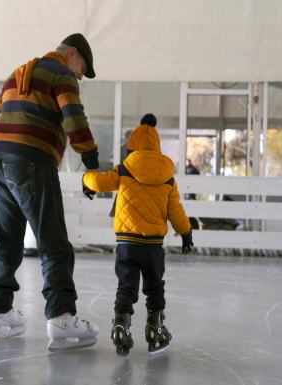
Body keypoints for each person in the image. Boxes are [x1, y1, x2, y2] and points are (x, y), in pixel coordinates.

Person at [0, 33, 100, 352]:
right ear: (72, 54)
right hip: (32, 162)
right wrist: (90, 157)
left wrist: (6, 152)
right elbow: (74, 118)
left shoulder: (16, 73)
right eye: (82, 68)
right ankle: (62, 320)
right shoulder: (60, 73)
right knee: (53, 242)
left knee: (6, 242)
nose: (79, 76)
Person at [82, 113, 194, 356]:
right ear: (157, 146)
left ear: (132, 145)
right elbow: (175, 211)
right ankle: (155, 329)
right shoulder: (168, 177)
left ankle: (121, 324)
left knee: (126, 286)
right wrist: (186, 233)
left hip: (127, 243)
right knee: (155, 287)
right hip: (153, 245)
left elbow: (99, 182)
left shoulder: (125, 169)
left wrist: (86, 179)